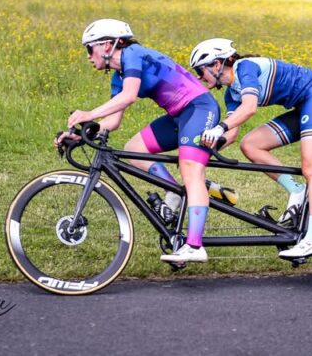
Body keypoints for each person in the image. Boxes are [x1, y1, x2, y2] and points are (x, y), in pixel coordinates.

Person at [56, 19, 220, 263]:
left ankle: (195, 246)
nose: (88, 56)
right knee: (134, 149)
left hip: (199, 108)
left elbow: (129, 96)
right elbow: (113, 121)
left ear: (108, 45)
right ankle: (173, 192)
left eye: (89, 49)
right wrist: (81, 135)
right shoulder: (118, 76)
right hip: (178, 116)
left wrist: (89, 114)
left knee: (191, 171)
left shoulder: (133, 53)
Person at [190, 38, 312, 258]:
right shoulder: (231, 93)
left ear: (216, 64)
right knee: (250, 145)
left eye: (199, 70)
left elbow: (249, 107)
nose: (199, 77)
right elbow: (231, 133)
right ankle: (298, 191)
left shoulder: (245, 67)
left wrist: (218, 127)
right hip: (302, 106)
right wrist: (202, 151)